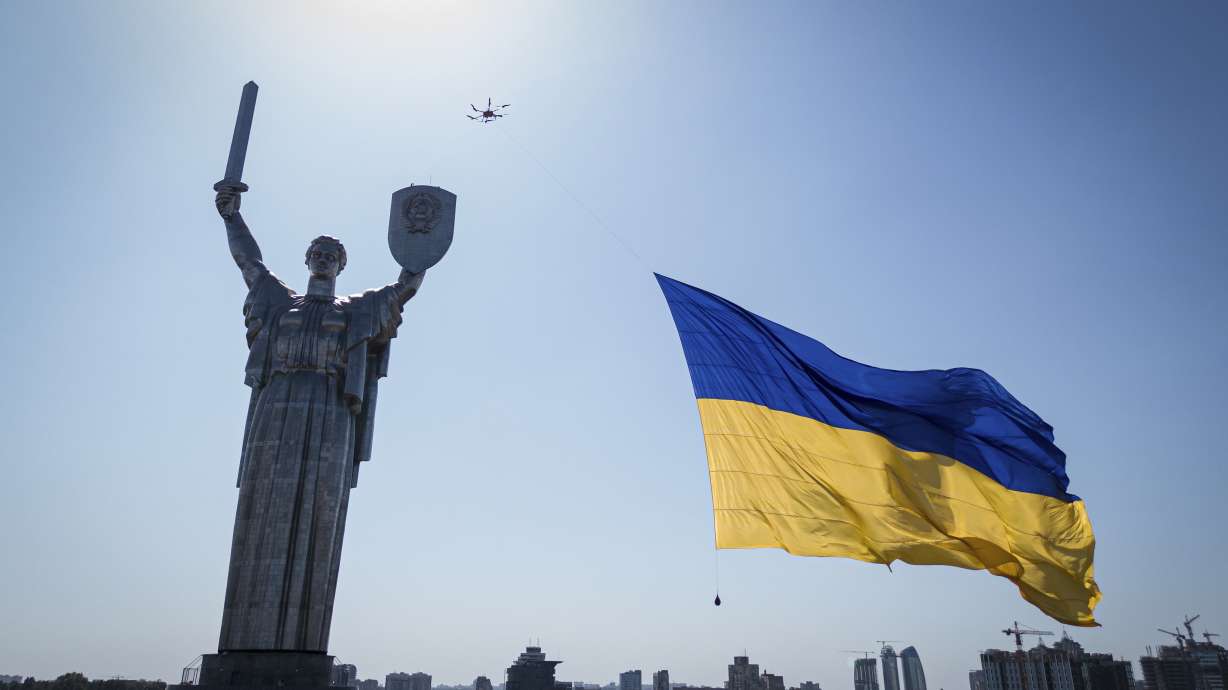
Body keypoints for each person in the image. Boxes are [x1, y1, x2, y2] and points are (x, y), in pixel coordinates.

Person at [212, 188, 424, 652]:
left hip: (329, 406)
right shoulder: (279, 302)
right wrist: (232, 217)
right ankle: (245, 639)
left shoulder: (357, 309)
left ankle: (301, 643)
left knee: (319, 506)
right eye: (318, 253)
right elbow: (249, 263)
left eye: (332, 255)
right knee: (262, 501)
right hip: (278, 402)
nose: (324, 259)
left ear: (341, 266)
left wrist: (421, 251)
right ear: (307, 260)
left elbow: (403, 289)